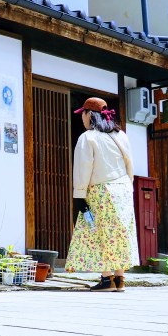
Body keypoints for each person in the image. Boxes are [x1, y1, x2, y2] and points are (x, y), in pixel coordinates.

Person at [65, 97, 140, 292]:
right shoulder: (120, 135)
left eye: (83, 113)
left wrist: (79, 194)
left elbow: (83, 168)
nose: (82, 117)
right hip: (123, 189)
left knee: (101, 233)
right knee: (120, 233)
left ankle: (107, 279)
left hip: (101, 190)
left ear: (89, 114)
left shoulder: (88, 137)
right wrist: (129, 186)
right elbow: (129, 163)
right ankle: (120, 278)